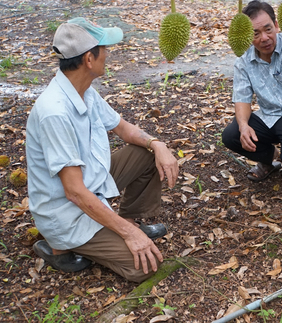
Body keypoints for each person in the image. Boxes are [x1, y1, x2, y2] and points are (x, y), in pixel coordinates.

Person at [26, 17, 179, 282]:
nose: (108, 55)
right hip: (67, 211)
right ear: (88, 59)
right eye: (104, 49)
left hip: (90, 183)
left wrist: (158, 144)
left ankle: (129, 220)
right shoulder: (55, 112)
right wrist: (130, 237)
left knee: (145, 153)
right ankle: (60, 248)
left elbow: (123, 129)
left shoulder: (83, 90)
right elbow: (73, 192)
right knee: (144, 266)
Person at [222, 0, 282, 182]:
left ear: (276, 26)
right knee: (232, 135)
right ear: (247, 36)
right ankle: (269, 159)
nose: (264, 38)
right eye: (256, 33)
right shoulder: (244, 61)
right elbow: (242, 98)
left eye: (268, 29)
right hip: (269, 116)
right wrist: (244, 126)